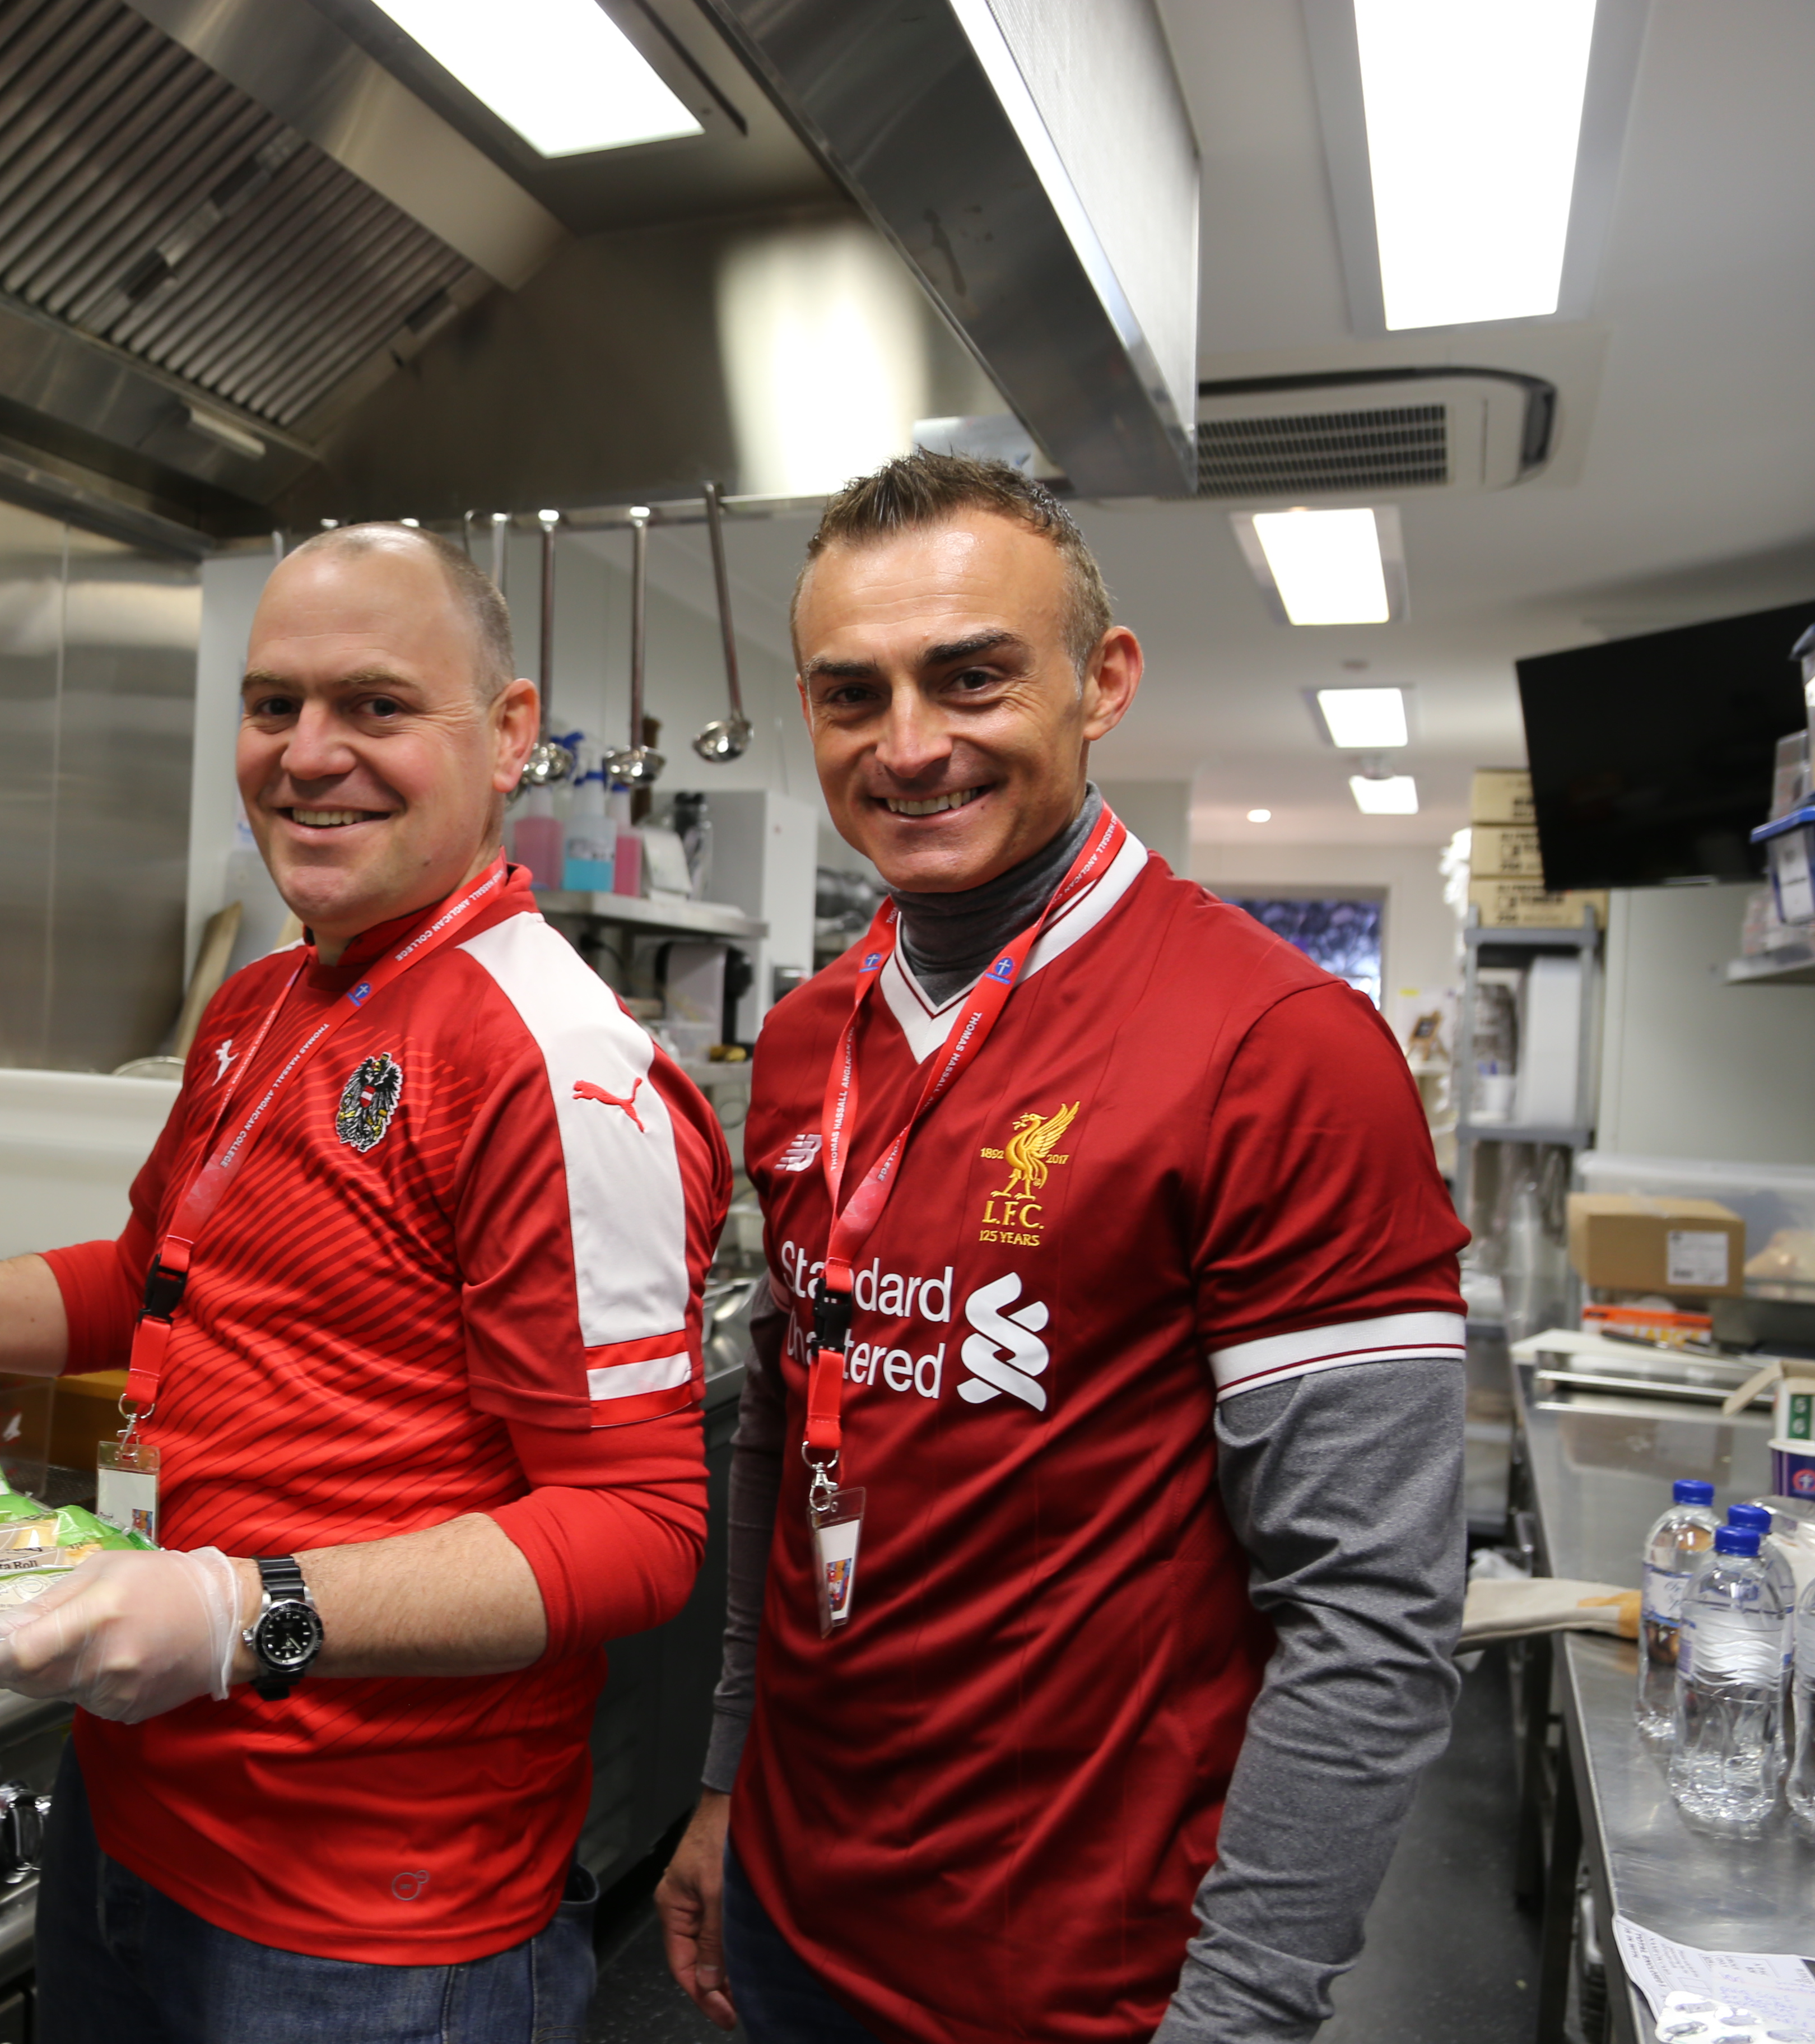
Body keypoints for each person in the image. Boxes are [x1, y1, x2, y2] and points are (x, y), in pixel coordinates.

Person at [0, 523, 734, 2043]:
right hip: (142, 1812)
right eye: (273, 704)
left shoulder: (549, 1060)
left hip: (373, 1918)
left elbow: (635, 1534)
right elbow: (149, 1276)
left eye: (376, 707)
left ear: (509, 738)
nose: (309, 755)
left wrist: (247, 1610)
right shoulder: (267, 1001)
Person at [653, 454, 1468, 2044]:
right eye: (851, 693)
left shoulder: (1278, 1047)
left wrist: (1236, 2018)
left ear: (1103, 684)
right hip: (798, 1918)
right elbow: (787, 1440)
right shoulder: (816, 1037)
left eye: (970, 679)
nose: (907, 745)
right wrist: (721, 1787)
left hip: (1094, 1986)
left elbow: (1372, 1615)